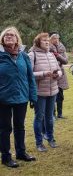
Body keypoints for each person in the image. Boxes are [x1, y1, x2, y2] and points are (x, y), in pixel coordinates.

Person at [0, 26, 37, 168]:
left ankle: (21, 152)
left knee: (20, 127)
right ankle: (6, 156)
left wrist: (33, 96)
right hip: (3, 98)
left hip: (21, 97)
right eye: (6, 35)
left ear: (17, 39)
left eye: (12, 35)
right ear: (2, 39)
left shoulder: (24, 56)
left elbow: (30, 77)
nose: (9, 37)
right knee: (4, 128)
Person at [28, 33, 62, 152]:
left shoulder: (51, 54)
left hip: (53, 90)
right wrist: (43, 74)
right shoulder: (32, 55)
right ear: (38, 42)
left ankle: (51, 138)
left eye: (48, 40)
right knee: (39, 117)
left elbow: (59, 70)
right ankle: (39, 143)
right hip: (39, 93)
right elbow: (28, 74)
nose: (47, 42)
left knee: (50, 117)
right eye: (44, 40)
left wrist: (57, 74)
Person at [49, 32, 69, 118]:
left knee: (60, 96)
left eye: (57, 38)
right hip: (51, 74)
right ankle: (52, 114)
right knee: (52, 95)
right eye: (54, 38)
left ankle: (60, 114)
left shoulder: (61, 47)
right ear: (50, 39)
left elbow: (65, 61)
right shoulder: (47, 48)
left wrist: (57, 55)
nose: (56, 40)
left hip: (61, 74)